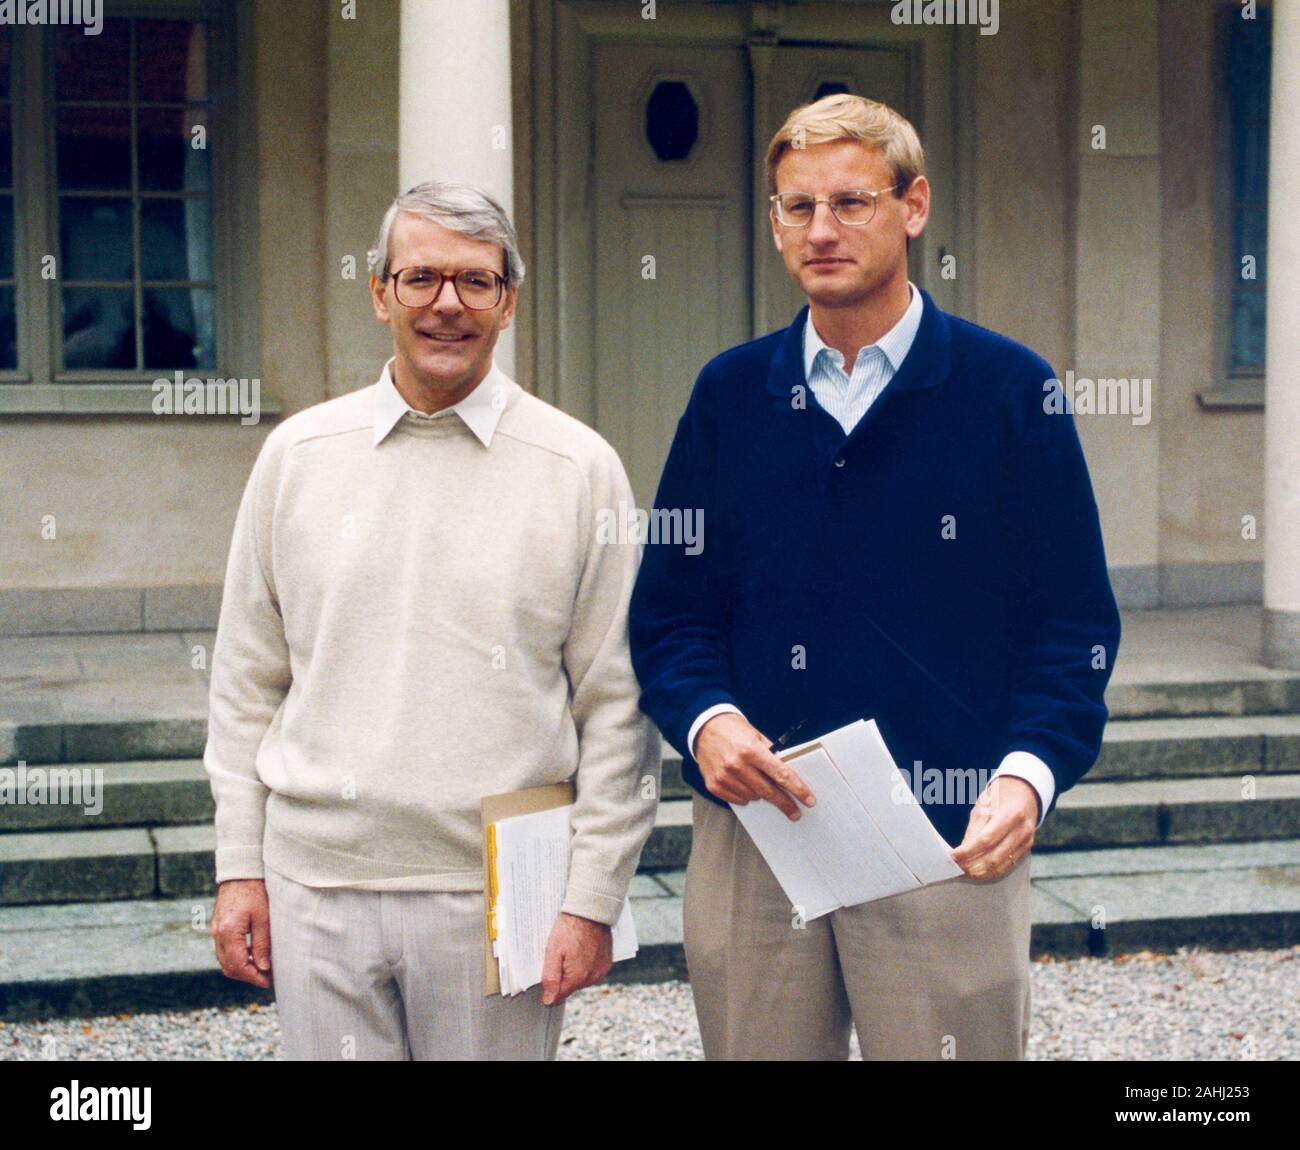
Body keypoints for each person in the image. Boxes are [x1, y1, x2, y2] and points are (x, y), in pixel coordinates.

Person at [628, 93, 1121, 1061]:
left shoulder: (1009, 392)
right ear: (772, 222)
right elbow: (669, 614)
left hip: (946, 826)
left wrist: (1027, 776)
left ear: (914, 205)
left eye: (851, 202)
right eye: (796, 207)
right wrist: (705, 720)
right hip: (758, 830)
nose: (821, 230)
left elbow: (1073, 623)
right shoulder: (730, 394)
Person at [204, 180, 660, 1060]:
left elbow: (616, 706)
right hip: (317, 885)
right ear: (379, 293)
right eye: (420, 279)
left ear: (508, 301)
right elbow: (243, 684)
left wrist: (592, 896)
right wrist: (239, 868)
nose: (446, 304)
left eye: (475, 281)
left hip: (500, 891)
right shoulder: (297, 458)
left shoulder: (578, 469)